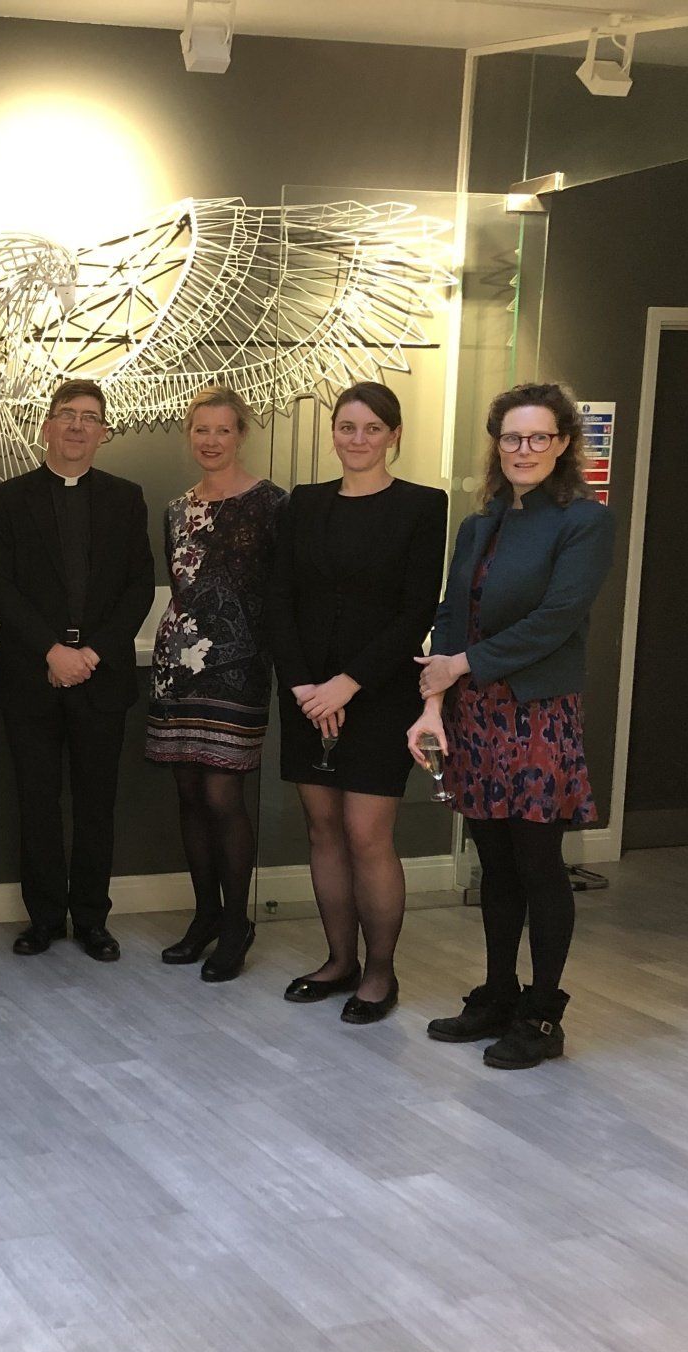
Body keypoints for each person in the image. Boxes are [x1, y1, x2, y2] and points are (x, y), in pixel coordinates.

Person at [410, 381, 616, 1068]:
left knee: (537, 864)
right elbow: (451, 612)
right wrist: (435, 698)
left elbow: (556, 620)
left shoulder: (584, 521)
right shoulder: (482, 523)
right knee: (493, 863)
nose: (524, 449)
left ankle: (542, 1013)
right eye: (511, 438)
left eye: (538, 437)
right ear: (497, 445)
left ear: (563, 444)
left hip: (537, 714)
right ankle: (498, 993)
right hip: (473, 711)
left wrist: (462, 664)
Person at [269, 382, 448, 1023]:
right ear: (333, 433)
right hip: (306, 696)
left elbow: (416, 612)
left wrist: (347, 684)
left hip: (378, 693)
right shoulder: (305, 503)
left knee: (366, 835)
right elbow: (279, 599)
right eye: (347, 426)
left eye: (373, 428)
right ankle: (339, 960)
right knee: (322, 830)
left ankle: (379, 972)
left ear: (394, 435)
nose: (359, 439)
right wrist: (304, 687)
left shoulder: (423, 505)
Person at [0, 379, 156, 963]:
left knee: (96, 805)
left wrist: (92, 653)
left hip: (102, 676)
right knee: (36, 804)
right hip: (30, 675)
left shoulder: (127, 497)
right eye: (67, 415)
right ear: (46, 427)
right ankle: (43, 919)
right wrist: (51, 652)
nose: (78, 426)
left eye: (90, 417)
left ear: (103, 432)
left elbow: (139, 586)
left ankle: (92, 920)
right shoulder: (8, 499)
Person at [142, 386, 286, 982]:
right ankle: (204, 916)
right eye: (201, 429)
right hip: (177, 665)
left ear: (241, 435)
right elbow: (182, 588)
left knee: (224, 796)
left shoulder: (272, 504)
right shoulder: (176, 509)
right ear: (189, 434)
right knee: (189, 794)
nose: (211, 440)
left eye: (223, 430)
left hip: (240, 667)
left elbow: (282, 592)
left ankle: (235, 923)